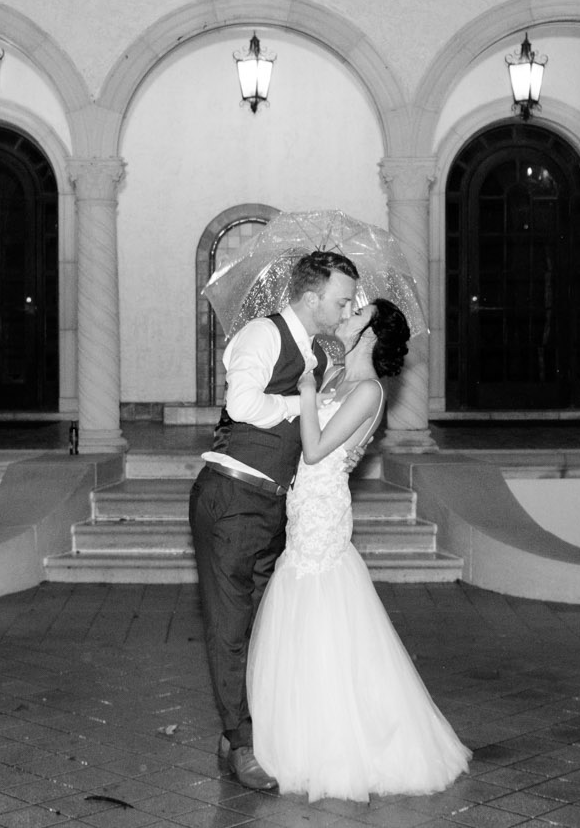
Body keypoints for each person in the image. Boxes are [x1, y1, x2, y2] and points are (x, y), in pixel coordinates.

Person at [246, 299, 470, 801]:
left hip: (323, 512)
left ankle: (335, 747)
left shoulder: (368, 390)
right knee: (300, 610)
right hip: (306, 506)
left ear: (370, 335)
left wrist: (306, 394)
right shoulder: (339, 380)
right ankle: (298, 733)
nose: (344, 319)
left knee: (321, 607)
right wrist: (307, 386)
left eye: (355, 315)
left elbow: (317, 448)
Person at [190, 250, 360, 792]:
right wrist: (295, 404)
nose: (345, 308)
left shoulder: (313, 350)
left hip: (271, 505)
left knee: (259, 629)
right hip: (233, 498)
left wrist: (346, 346)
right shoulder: (262, 336)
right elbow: (242, 406)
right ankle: (243, 746)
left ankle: (234, 733)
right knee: (231, 629)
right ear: (311, 298)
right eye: (340, 300)